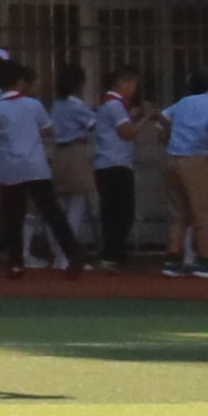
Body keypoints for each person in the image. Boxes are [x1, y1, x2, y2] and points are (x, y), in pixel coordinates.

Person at [0, 61, 62, 271]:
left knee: (17, 213)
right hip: (33, 167)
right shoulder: (32, 105)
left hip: (10, 167)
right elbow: (48, 130)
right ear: (21, 82)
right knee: (34, 212)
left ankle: (13, 253)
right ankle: (22, 253)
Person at [158, 69, 208, 276]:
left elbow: (162, 117)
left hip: (172, 158)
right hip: (197, 159)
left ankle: (173, 260)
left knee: (178, 214)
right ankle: (205, 260)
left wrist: (168, 137)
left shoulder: (183, 102)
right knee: (204, 213)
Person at [91, 70, 151, 271]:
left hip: (107, 164)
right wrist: (146, 118)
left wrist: (134, 116)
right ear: (123, 83)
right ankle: (113, 253)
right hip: (116, 164)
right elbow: (127, 133)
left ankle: (113, 253)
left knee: (112, 211)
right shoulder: (116, 105)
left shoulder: (107, 104)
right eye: (133, 85)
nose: (134, 90)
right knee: (122, 211)